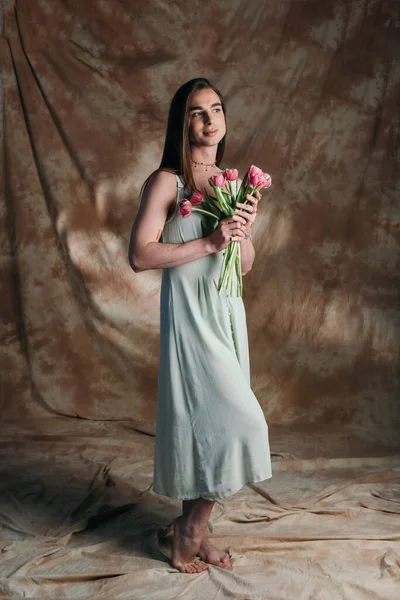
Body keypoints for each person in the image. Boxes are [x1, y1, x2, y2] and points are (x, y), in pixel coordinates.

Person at [128, 78, 272, 574]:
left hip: (228, 313)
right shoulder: (169, 181)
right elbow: (140, 255)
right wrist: (210, 242)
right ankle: (188, 533)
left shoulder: (231, 183)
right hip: (192, 320)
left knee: (210, 427)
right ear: (182, 122)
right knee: (239, 422)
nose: (210, 119)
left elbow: (245, 263)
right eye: (197, 112)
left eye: (216, 109)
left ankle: (193, 526)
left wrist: (241, 229)